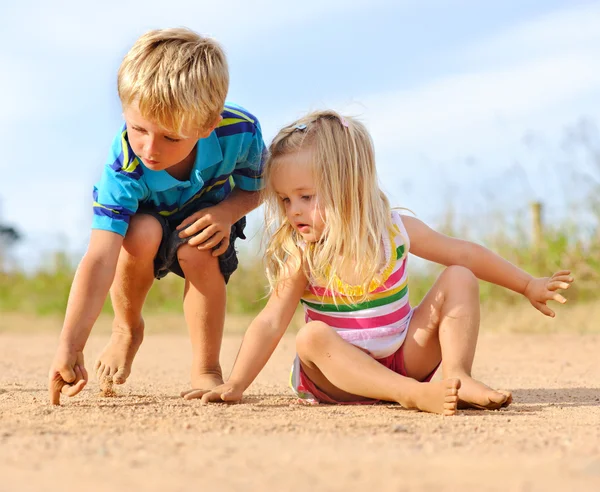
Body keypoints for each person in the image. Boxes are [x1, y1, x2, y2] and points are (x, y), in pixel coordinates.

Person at [181, 110, 573, 415]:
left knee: (459, 276)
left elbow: (465, 253)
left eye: (305, 196)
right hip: (338, 379)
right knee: (310, 338)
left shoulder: (394, 230)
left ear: (348, 186)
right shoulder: (303, 252)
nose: (293, 211)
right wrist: (235, 383)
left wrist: (527, 284)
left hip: (404, 357)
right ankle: (413, 395)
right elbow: (270, 321)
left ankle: (455, 375)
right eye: (285, 200)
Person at [48, 28, 265, 405]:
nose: (150, 148)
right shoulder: (125, 168)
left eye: (170, 137)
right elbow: (100, 258)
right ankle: (127, 328)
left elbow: (262, 185)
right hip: (145, 219)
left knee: (198, 249)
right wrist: (70, 344)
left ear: (207, 125)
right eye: (138, 129)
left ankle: (206, 367)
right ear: (124, 112)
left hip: (210, 211)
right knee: (140, 232)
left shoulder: (240, 134)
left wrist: (227, 212)